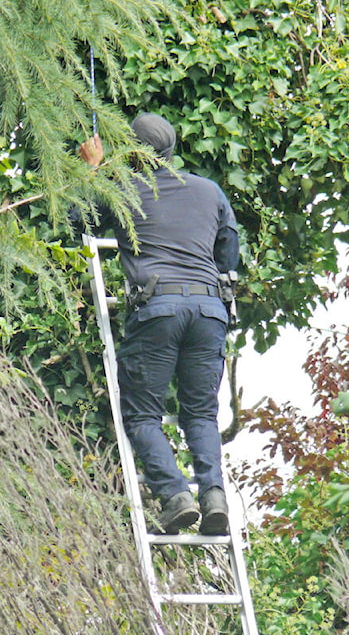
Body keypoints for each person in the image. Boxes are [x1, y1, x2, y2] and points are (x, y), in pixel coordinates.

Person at [79, 113, 239, 535]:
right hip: (209, 311)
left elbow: (80, 220)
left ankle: (175, 497)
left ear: (133, 152)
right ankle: (214, 496)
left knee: (144, 414)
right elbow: (228, 258)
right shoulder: (210, 191)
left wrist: (93, 169)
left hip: (158, 310)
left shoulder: (126, 191)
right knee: (201, 413)